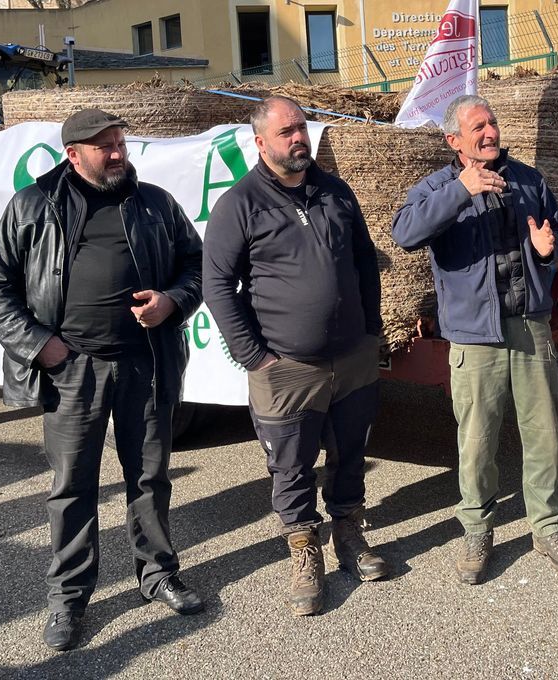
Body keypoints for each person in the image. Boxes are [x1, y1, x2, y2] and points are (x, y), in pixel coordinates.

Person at [0, 108, 205, 652]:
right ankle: (69, 596)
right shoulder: (34, 205)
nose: (118, 153)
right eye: (105, 146)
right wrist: (41, 346)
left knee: (149, 477)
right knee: (73, 486)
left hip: (146, 363)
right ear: (73, 154)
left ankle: (158, 574)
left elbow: (196, 266)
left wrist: (171, 301)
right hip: (70, 371)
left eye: (121, 142)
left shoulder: (155, 204)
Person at [203, 96, 388, 616]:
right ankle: (305, 550)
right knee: (291, 466)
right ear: (260, 142)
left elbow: (364, 263)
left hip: (352, 359)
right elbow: (217, 285)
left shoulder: (335, 190)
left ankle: (349, 533)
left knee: (350, 454)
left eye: (301, 128)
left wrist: (371, 330)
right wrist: (254, 356)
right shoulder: (240, 204)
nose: (298, 138)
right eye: (286, 132)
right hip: (285, 369)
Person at [392, 94, 558, 584]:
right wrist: (462, 190)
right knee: (476, 441)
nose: (490, 132)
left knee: (544, 434)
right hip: (475, 337)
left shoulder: (528, 179)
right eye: (477, 127)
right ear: (454, 141)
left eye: (492, 123)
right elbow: (405, 233)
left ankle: (548, 526)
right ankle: (477, 530)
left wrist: (550, 249)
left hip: (530, 325)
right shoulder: (437, 187)